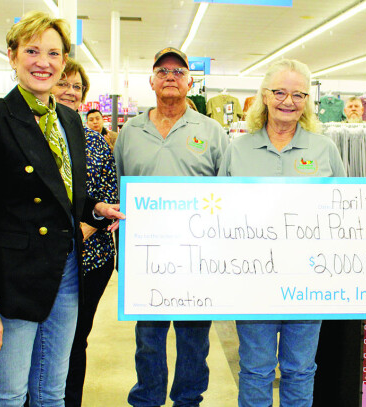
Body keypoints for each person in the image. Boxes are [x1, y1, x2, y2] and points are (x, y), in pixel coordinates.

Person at [0, 11, 124, 406]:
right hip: (13, 280)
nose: (43, 62)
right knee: (10, 394)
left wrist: (96, 209)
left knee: (52, 391)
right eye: (32, 50)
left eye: (53, 53)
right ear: (12, 56)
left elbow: (66, 197)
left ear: (64, 60)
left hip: (66, 271)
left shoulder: (68, 120)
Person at [218, 59, 346, 407]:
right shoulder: (238, 149)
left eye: (298, 94)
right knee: (256, 370)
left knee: (300, 369)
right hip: (253, 281)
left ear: (307, 101)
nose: (288, 101)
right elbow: (220, 215)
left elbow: (345, 211)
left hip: (308, 280)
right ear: (264, 95)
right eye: (279, 92)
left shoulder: (325, 150)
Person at [114, 47, 228, 407]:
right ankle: (147, 398)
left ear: (189, 82)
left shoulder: (211, 131)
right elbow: (119, 187)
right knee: (148, 335)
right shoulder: (130, 131)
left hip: (198, 256)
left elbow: (227, 190)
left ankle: (188, 399)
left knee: (195, 337)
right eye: (162, 71)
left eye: (178, 72)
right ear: (151, 81)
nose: (170, 77)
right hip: (145, 256)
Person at [51, 58, 118, 407]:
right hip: (39, 261)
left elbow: (110, 195)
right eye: (63, 83)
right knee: (40, 342)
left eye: (77, 87)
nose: (69, 91)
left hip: (90, 261)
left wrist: (79, 233)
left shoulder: (95, 143)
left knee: (76, 339)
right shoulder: (30, 136)